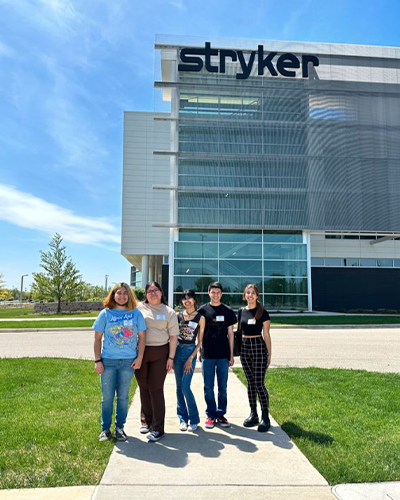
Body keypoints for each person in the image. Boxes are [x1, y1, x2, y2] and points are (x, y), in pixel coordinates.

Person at [93, 283, 146, 442]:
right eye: (118, 293)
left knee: (123, 397)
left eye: (125, 293)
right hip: (108, 360)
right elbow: (97, 339)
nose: (122, 296)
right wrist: (97, 360)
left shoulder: (135, 314)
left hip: (128, 362)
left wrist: (139, 358)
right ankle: (105, 429)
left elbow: (142, 338)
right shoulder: (105, 314)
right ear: (113, 295)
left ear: (129, 296)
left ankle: (120, 428)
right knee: (107, 397)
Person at [136, 282, 179, 442]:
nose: (153, 293)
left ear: (161, 292)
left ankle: (158, 428)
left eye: (156, 290)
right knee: (143, 387)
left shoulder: (169, 312)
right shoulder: (138, 308)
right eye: (149, 291)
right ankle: (146, 421)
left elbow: (173, 336)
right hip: (140, 352)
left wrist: (171, 358)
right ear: (146, 294)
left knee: (156, 389)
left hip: (161, 352)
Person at [198, 281, 236, 429]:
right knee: (208, 386)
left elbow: (231, 334)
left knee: (222, 387)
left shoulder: (227, 311)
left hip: (223, 355)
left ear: (221, 294)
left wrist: (231, 355)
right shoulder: (202, 310)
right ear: (209, 293)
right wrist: (200, 350)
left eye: (218, 292)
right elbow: (199, 333)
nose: (215, 295)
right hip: (207, 354)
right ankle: (210, 414)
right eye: (213, 292)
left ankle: (221, 415)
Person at [239, 284, 272, 432]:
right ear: (244, 295)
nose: (250, 295)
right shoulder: (241, 312)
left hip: (258, 346)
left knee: (259, 383)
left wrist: (269, 354)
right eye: (248, 292)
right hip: (245, 347)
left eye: (253, 293)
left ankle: (265, 416)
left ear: (257, 296)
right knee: (250, 383)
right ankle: (254, 414)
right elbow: (239, 332)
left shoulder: (262, 312)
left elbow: (266, 334)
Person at [175, 289, 205, 432]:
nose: (187, 301)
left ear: (194, 300)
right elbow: (173, 336)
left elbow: (200, 342)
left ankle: (194, 419)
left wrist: (191, 358)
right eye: (184, 298)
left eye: (189, 298)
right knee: (179, 387)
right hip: (177, 351)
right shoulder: (178, 315)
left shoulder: (200, 318)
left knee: (186, 386)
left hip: (190, 352)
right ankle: (182, 419)